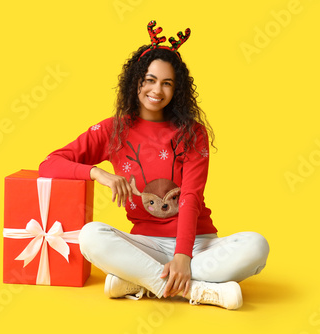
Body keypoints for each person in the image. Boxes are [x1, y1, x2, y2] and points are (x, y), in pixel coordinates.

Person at [39, 20, 269, 310]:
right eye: (149, 79)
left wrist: (183, 257)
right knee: (91, 236)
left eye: (167, 83)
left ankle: (141, 282)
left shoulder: (192, 133)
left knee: (257, 245)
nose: (156, 90)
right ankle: (195, 291)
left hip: (198, 244)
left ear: (177, 90)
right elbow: (49, 164)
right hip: (145, 246)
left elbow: (190, 197)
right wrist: (97, 173)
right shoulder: (114, 130)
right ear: (136, 81)